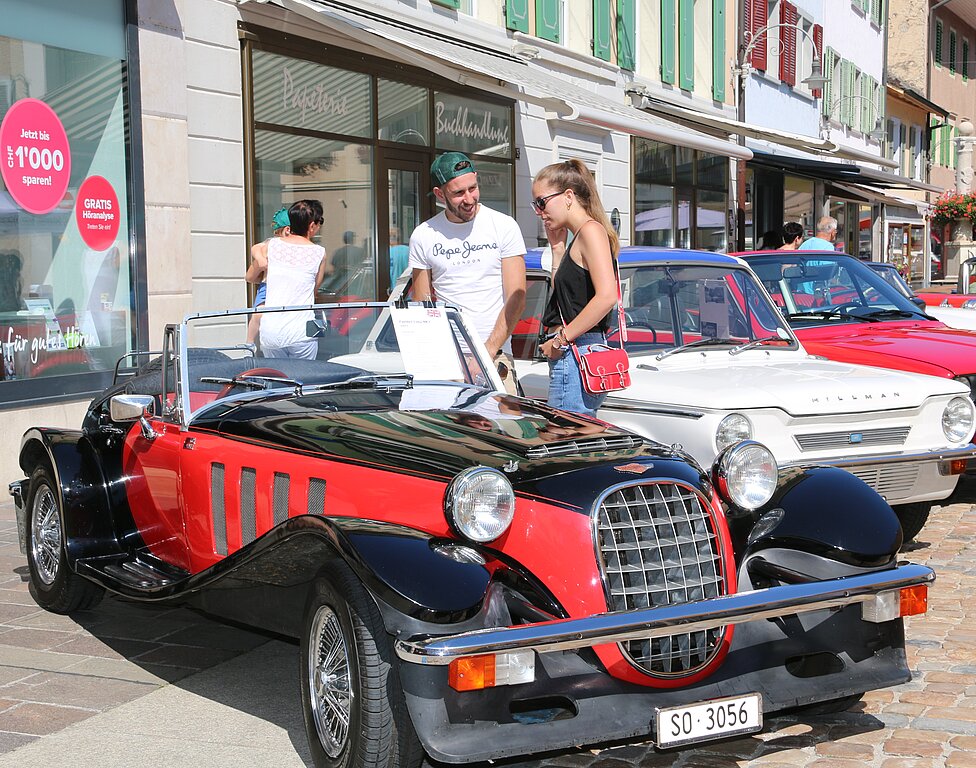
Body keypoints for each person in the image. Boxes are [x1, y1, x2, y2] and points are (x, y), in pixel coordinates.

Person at [409, 151, 526, 395]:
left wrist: (485, 353)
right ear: (440, 194)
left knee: (505, 430)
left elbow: (517, 297)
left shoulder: (503, 225)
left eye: (472, 188)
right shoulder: (424, 235)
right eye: (458, 193)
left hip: (495, 354)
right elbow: (422, 303)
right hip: (447, 360)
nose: (469, 198)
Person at [532, 159, 620, 417]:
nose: (539, 211)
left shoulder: (591, 231)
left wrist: (561, 340)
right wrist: (558, 249)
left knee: (567, 442)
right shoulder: (582, 234)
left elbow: (607, 296)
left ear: (568, 196)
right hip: (576, 351)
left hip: (576, 352)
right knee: (574, 440)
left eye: (542, 202)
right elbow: (566, 299)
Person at [246, 199, 329, 359]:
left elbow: (252, 267)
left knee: (277, 380)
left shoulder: (271, 245)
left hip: (271, 332)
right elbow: (314, 290)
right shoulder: (319, 253)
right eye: (320, 222)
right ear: (312, 226)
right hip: (301, 333)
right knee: (303, 380)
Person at [246, 207, 290, 345]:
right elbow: (256, 248)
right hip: (267, 286)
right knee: (259, 314)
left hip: (282, 286)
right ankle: (249, 342)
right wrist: (260, 258)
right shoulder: (272, 243)